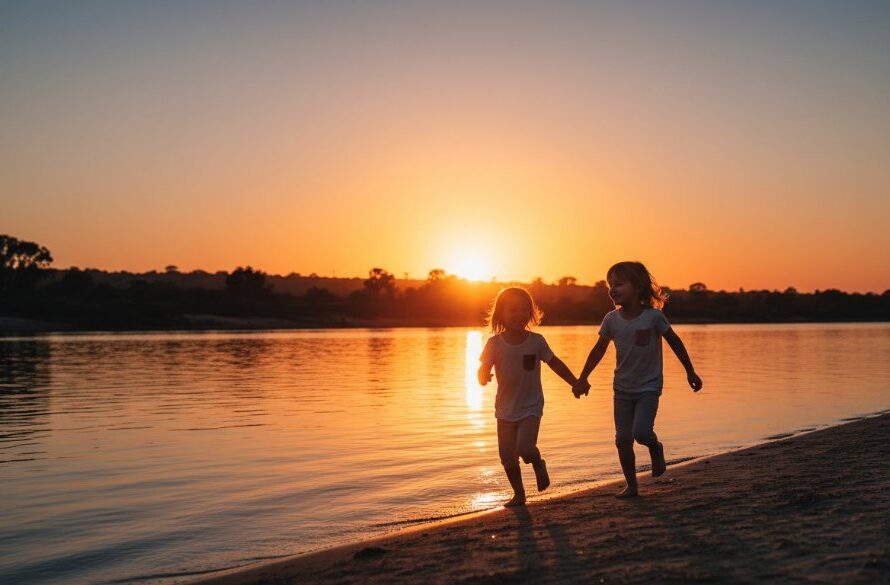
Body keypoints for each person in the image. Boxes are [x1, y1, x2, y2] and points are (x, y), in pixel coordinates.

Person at [573, 261, 703, 498]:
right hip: (621, 388)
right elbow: (598, 350)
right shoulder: (611, 319)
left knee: (641, 433)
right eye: (610, 285)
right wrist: (582, 378)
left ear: (638, 286)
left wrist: (690, 371)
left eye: (619, 284)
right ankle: (632, 486)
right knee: (622, 440)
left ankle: (655, 446)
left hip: (648, 387)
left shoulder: (653, 317)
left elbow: (675, 342)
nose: (613, 289)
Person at [478, 287, 579, 507]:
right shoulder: (494, 344)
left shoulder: (537, 341)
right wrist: (483, 376)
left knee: (524, 448)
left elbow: (555, 363)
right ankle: (519, 494)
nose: (519, 315)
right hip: (504, 409)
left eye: (524, 310)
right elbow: (482, 369)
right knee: (507, 456)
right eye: (512, 310)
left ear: (531, 313)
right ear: (501, 314)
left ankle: (538, 463)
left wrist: (575, 382)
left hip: (531, 406)